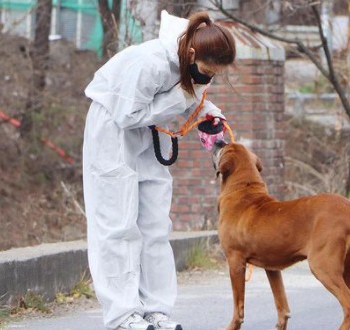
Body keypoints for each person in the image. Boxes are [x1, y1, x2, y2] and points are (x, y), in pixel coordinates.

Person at [83, 9, 236, 330]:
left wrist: (209, 114)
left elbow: (190, 97)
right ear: (191, 53)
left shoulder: (191, 64)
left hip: (151, 131)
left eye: (214, 75)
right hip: (113, 130)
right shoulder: (149, 61)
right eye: (206, 71)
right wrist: (183, 97)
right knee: (117, 224)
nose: (207, 78)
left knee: (154, 224)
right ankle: (123, 316)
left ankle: (156, 310)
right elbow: (128, 114)